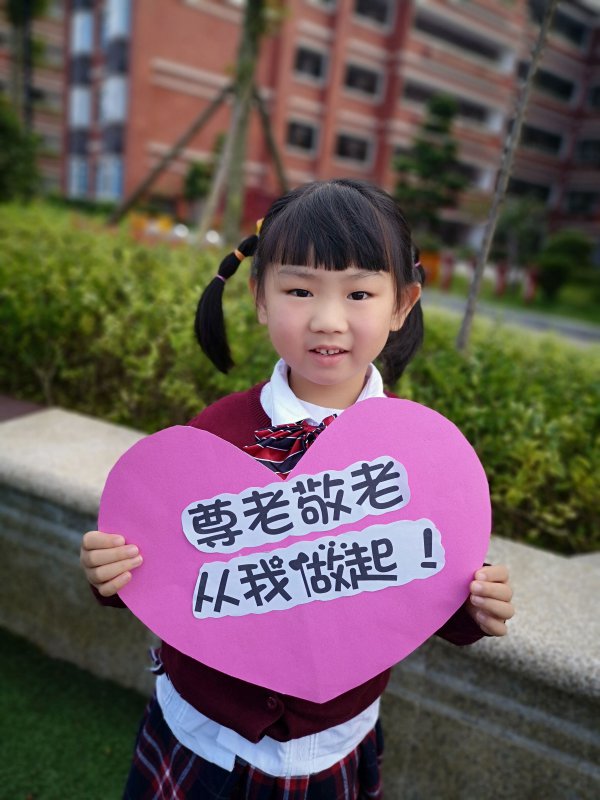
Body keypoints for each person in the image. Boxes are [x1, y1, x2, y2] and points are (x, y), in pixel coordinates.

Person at [81, 179, 514, 799]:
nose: (327, 320)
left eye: (359, 293)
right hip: (202, 732)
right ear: (259, 297)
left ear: (402, 304)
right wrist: (110, 574)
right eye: (299, 290)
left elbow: (422, 580)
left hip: (334, 741)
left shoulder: (420, 455)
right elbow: (167, 568)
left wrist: (474, 607)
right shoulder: (212, 436)